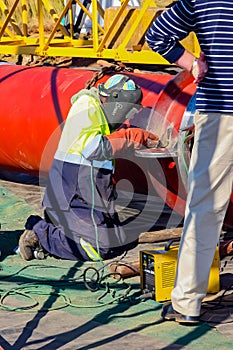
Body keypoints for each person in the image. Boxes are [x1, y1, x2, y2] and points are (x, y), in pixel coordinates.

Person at [146, 0, 233, 324]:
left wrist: (193, 64)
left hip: (222, 111)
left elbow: (157, 34)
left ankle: (186, 303)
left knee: (205, 208)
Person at [19, 74, 159, 262]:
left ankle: (60, 227)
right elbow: (93, 149)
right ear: (116, 100)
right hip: (71, 196)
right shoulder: (86, 105)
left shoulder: (102, 116)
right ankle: (39, 232)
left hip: (87, 196)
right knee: (99, 248)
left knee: (119, 239)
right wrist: (131, 137)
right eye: (129, 110)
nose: (130, 116)